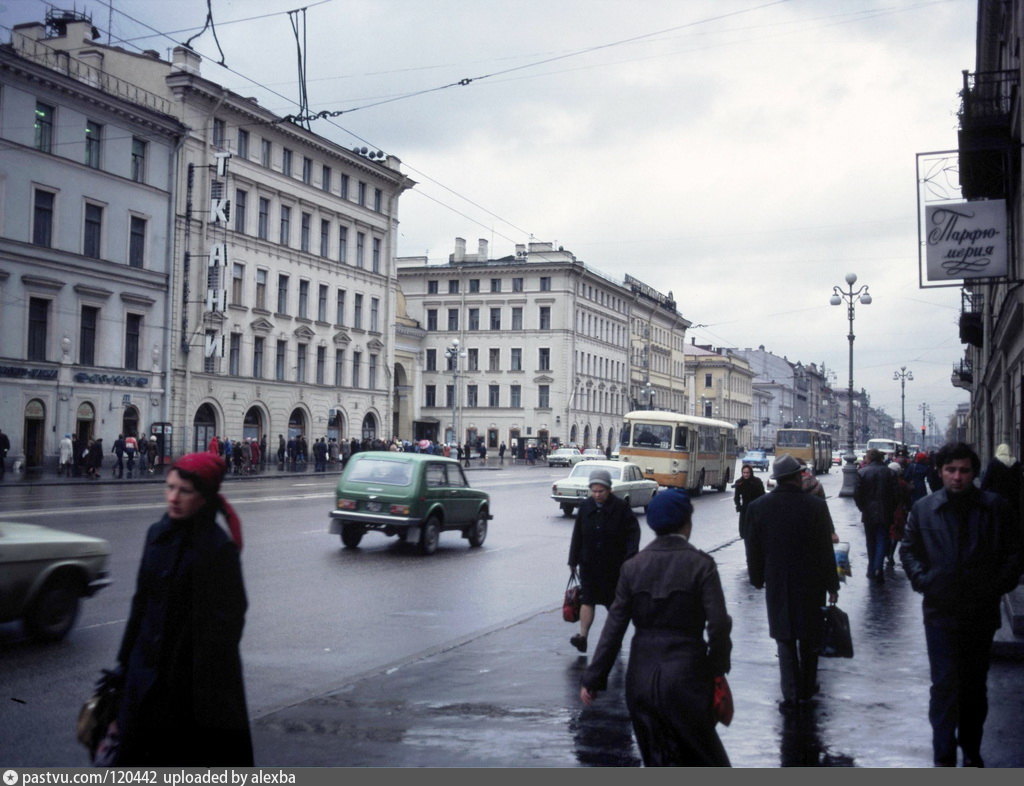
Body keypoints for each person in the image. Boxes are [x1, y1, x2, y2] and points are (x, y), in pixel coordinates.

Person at [104, 452, 253, 766]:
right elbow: (140, 607)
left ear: (204, 497)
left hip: (193, 693)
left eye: (183, 491)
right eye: (169, 487)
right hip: (144, 680)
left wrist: (197, 674)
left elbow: (228, 625)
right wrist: (122, 672)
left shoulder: (218, 549)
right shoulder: (156, 535)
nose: (173, 497)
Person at [580, 488, 731, 767]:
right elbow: (719, 624)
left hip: (641, 679)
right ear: (686, 523)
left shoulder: (632, 568)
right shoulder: (701, 566)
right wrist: (717, 667)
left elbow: (614, 627)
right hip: (687, 676)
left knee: (656, 758)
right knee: (705, 759)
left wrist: (594, 677)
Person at [900, 442, 1023, 767]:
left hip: (980, 614)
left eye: (964, 470)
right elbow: (908, 548)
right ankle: (943, 755)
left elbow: (1014, 553)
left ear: (974, 472)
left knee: (973, 687)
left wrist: (997, 585)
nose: (957, 477)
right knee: (943, 686)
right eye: (951, 470)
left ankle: (971, 751)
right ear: (940, 473)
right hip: (940, 614)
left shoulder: (996, 508)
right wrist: (924, 580)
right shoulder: (925, 508)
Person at [746, 454, 839, 711]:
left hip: (778, 580)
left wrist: (756, 578)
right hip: (812, 582)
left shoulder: (759, 507)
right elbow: (825, 550)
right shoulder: (816, 507)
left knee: (784, 638)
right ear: (798, 477)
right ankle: (808, 687)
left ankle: (790, 692)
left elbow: (753, 549)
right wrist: (833, 585)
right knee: (810, 637)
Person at [567, 468, 641, 653]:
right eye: (594, 491)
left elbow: (634, 532)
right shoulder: (586, 507)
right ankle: (582, 637)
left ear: (609, 490)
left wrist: (630, 556)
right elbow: (577, 535)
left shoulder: (620, 508)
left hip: (613, 566)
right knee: (587, 600)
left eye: (601, 491)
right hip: (589, 564)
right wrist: (572, 560)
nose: (597, 494)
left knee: (613, 605)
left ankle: (614, 639)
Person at [853, 448, 899, 583]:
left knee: (870, 541)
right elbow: (896, 494)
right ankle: (878, 568)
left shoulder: (862, 472)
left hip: (868, 512)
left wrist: (863, 508)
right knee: (882, 539)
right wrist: (891, 508)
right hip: (886, 512)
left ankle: (871, 568)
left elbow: (857, 494)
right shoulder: (890, 472)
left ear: (869, 458)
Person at [980, 443, 1021, 526]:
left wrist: (980, 493)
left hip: (997, 497)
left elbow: (986, 480)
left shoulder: (994, 463)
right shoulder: (1016, 463)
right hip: (1014, 498)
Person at [732, 464, 765, 566]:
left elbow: (762, 495)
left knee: (755, 534)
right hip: (745, 511)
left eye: (747, 473)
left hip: (755, 511)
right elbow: (736, 497)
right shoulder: (740, 483)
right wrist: (739, 506)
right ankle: (749, 557)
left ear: (751, 473)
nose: (746, 475)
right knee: (745, 534)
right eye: (744, 473)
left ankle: (757, 555)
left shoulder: (757, 482)